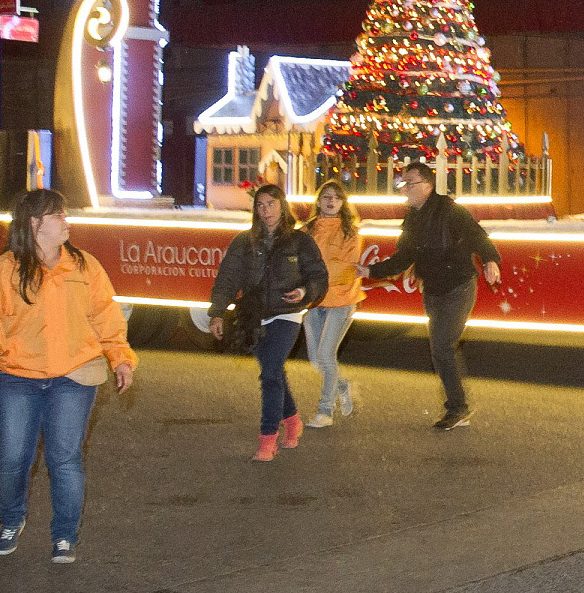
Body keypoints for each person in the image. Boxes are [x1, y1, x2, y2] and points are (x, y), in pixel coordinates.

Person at [0, 189, 135, 563]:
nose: (67, 222)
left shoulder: (84, 266)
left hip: (74, 376)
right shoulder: (4, 269)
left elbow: (107, 315)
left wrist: (120, 357)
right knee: (11, 458)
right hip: (16, 378)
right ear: (35, 224)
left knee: (65, 458)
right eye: (59, 216)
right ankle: (11, 520)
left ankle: (64, 536)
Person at [358, 163, 502, 430]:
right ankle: (458, 406)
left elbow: (478, 237)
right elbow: (403, 258)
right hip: (433, 290)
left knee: (442, 347)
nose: (404, 190)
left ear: (427, 185)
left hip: (459, 287)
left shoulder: (450, 211)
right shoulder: (412, 218)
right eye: (402, 184)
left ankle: (458, 408)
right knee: (440, 350)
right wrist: (369, 271)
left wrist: (491, 260)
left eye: (409, 183)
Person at [207, 184, 326, 462]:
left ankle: (267, 439)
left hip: (287, 312)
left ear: (282, 206)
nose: (266, 211)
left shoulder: (300, 241)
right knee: (274, 372)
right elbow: (227, 278)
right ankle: (293, 419)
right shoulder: (244, 242)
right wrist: (217, 312)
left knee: (270, 372)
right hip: (254, 314)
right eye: (260, 205)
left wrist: (305, 291)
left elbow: (318, 276)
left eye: (271, 204)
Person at [301, 180, 365, 428]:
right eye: (326, 197)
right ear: (318, 201)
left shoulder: (351, 233)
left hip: (341, 300)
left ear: (343, 203)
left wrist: (312, 274)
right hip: (313, 301)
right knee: (316, 361)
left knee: (326, 356)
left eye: (336, 198)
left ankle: (325, 410)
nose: (330, 201)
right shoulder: (306, 231)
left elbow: (345, 268)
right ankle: (342, 386)